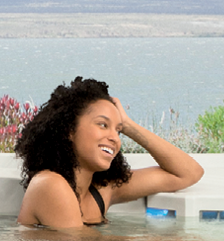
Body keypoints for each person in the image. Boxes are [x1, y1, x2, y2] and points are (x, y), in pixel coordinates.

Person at [15, 77, 203, 230]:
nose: (115, 138)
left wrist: (128, 125)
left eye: (118, 131)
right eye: (103, 125)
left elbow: (188, 173)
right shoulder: (49, 184)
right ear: (69, 130)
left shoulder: (103, 191)